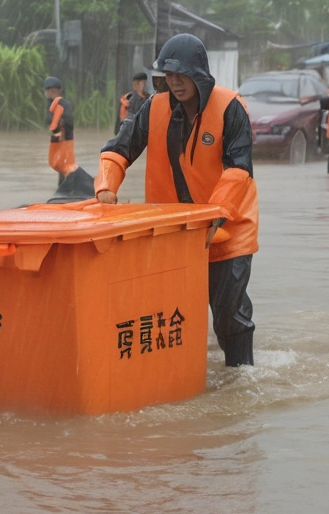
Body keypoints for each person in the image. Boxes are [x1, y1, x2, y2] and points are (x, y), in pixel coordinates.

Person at [94, 34, 259, 366]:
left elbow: (238, 170)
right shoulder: (153, 108)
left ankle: (241, 382)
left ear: (200, 73)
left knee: (230, 317)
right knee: (168, 317)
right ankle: (179, 378)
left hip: (226, 233)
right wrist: (106, 188)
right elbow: (118, 150)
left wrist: (215, 216)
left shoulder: (230, 108)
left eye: (181, 75)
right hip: (173, 237)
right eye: (168, 76)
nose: (174, 82)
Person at [44, 77, 77, 184]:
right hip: (56, 140)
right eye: (49, 91)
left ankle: (66, 187)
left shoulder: (64, 104)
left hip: (65, 139)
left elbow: (69, 122)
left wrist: (62, 133)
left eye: (53, 91)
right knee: (58, 164)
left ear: (59, 91)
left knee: (65, 165)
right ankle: (62, 187)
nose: (50, 93)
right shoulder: (50, 104)